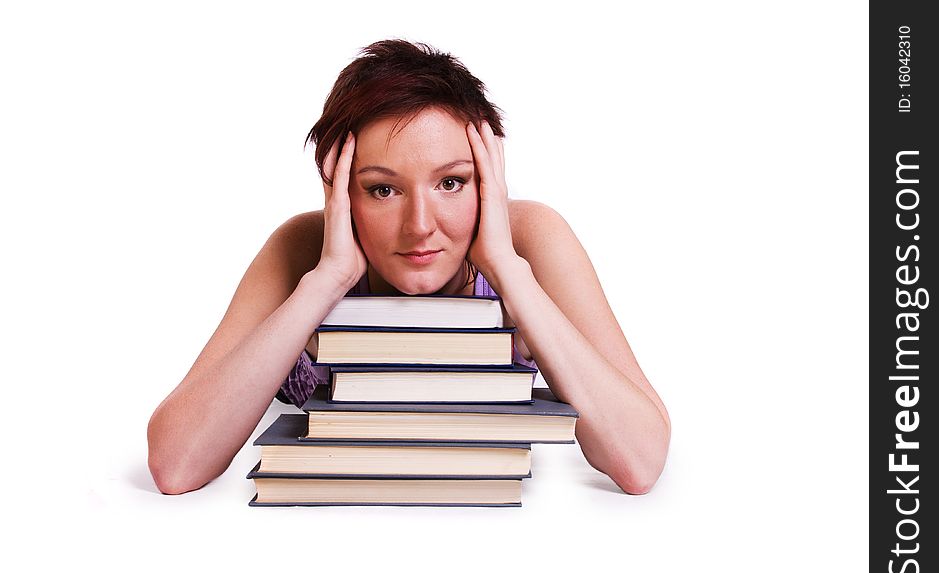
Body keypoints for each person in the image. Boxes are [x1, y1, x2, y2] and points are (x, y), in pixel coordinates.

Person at [147, 39, 670, 496]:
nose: (420, 225)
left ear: (488, 179)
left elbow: (640, 461)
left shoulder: (528, 239)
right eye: (382, 189)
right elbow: (176, 464)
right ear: (340, 189)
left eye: (451, 183)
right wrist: (326, 279)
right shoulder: (304, 249)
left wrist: (507, 269)